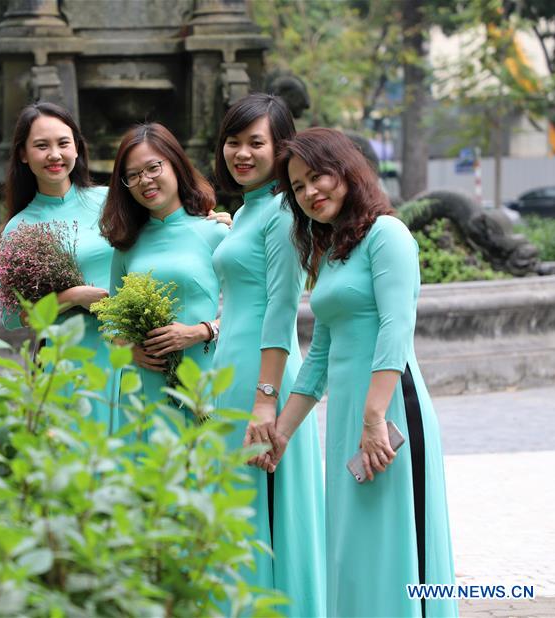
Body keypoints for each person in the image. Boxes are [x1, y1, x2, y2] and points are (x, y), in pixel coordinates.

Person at [268, 127, 457, 617]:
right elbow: (321, 357)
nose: (311, 192)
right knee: (353, 552)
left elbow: (397, 328)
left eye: (318, 177)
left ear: (346, 171)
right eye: (298, 187)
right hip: (350, 421)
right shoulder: (332, 254)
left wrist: (374, 418)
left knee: (397, 547)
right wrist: (280, 435)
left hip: (390, 412)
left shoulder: (386, 234)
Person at [211, 94, 325, 617]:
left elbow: (282, 311)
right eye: (233, 141)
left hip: (263, 379)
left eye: (256, 142)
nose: (242, 153)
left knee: (268, 515)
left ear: (282, 148)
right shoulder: (249, 210)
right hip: (233, 375)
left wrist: (266, 399)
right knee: (238, 512)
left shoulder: (282, 213)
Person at [99, 122, 228, 420]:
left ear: (176, 165)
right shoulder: (126, 245)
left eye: (153, 167)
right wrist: (129, 349)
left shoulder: (215, 233)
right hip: (142, 388)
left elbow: (248, 307)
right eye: (133, 175)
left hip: (201, 380)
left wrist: (202, 331)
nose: (145, 180)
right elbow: (112, 322)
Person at [0, 102, 117, 430]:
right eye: (41, 146)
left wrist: (209, 220)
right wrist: (75, 296)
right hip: (69, 358)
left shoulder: (111, 201)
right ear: (23, 154)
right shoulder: (20, 228)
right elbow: (14, 317)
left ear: (77, 149)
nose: (55, 154)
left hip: (129, 349)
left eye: (63, 143)